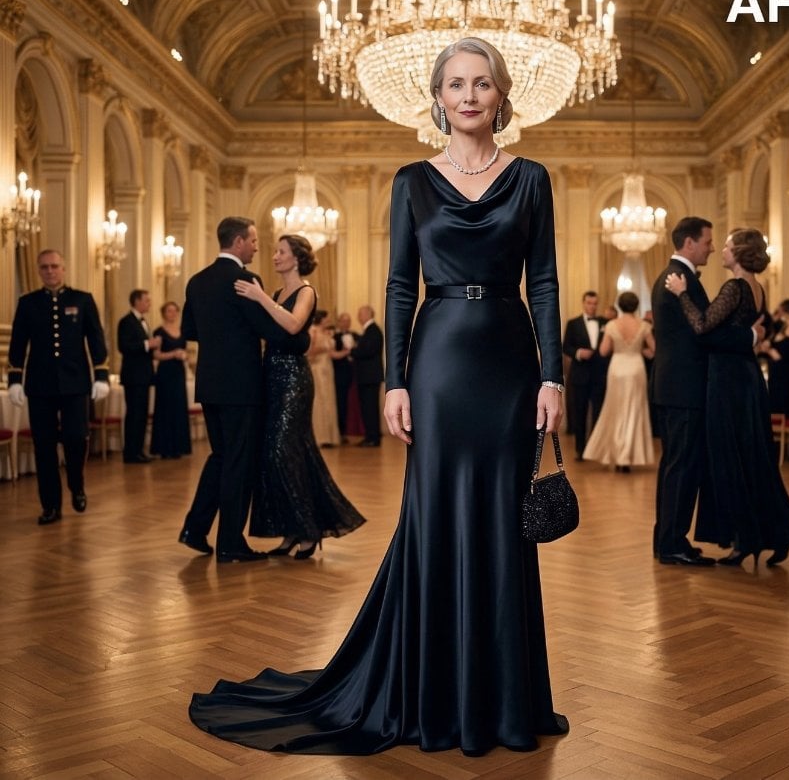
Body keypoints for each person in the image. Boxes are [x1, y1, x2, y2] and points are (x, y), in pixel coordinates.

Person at [189, 37, 568, 757]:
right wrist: (395, 379)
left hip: (511, 363)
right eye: (454, 83)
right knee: (436, 513)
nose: (467, 95)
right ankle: (430, 689)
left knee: (502, 517)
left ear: (501, 94)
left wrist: (552, 375)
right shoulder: (410, 181)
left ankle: (504, 695)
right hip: (439, 359)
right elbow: (399, 286)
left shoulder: (532, 179)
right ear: (436, 96)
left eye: (481, 83)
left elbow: (544, 280)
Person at [664, 228, 789, 568]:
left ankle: (745, 541)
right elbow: (758, 331)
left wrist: (682, 293)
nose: (721, 251)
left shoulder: (734, 287)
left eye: (727, 246)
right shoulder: (758, 288)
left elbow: (702, 327)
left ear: (740, 253)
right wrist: (750, 337)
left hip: (727, 384)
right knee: (755, 460)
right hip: (748, 381)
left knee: (729, 460)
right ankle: (773, 536)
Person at [179, 216, 309, 562]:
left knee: (220, 456)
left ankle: (194, 528)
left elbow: (189, 331)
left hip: (209, 384)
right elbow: (272, 330)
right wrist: (300, 335)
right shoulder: (244, 280)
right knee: (238, 462)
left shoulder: (196, 281)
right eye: (252, 241)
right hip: (242, 387)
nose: (256, 246)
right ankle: (230, 543)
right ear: (238, 242)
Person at [233, 235, 365, 559]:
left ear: (296, 259)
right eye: (276, 251)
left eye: (281, 252)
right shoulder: (278, 293)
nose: (275, 256)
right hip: (271, 376)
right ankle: (291, 529)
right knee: (280, 453)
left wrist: (260, 297)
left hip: (294, 378)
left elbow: (293, 325)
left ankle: (308, 530)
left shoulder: (306, 291)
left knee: (282, 449)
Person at [650, 218, 764, 567]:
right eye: (707, 242)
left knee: (676, 466)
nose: (713, 248)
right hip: (685, 389)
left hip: (676, 387)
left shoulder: (677, 278)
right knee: (682, 467)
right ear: (689, 243)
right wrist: (752, 337)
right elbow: (705, 333)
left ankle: (670, 540)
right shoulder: (678, 281)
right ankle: (672, 544)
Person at [7, 248, 110, 524]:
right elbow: (17, 344)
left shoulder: (82, 300)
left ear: (63, 269)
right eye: (44, 267)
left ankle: (76, 484)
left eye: (54, 266)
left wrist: (101, 374)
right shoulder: (27, 303)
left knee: (76, 438)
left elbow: (96, 339)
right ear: (39, 271)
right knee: (44, 446)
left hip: (75, 384)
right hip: (39, 386)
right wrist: (15, 379)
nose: (50, 271)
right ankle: (50, 505)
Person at [582, 291, 655, 471]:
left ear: (620, 306)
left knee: (615, 409)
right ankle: (628, 457)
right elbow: (654, 350)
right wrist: (639, 350)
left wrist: (619, 346)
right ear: (636, 306)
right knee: (634, 411)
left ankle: (617, 454)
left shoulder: (612, 324)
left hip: (617, 368)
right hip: (636, 368)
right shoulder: (644, 325)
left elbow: (604, 351)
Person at [562, 291, 606, 459]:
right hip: (580, 375)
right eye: (589, 303)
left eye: (595, 303)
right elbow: (566, 346)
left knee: (599, 413)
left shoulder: (605, 322)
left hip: (599, 376)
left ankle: (596, 449)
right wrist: (579, 353)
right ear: (583, 303)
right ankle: (580, 450)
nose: (592, 306)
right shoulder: (573, 324)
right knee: (579, 413)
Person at [117, 288, 157, 463]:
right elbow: (124, 346)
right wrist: (148, 344)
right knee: (134, 414)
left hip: (144, 376)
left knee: (141, 414)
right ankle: (131, 453)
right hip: (133, 376)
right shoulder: (126, 321)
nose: (149, 303)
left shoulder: (143, 321)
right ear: (137, 301)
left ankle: (139, 450)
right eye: (147, 300)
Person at [151, 300, 192, 459]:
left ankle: (179, 447)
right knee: (165, 408)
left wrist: (185, 355)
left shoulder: (183, 331)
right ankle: (165, 448)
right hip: (165, 373)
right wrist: (173, 354)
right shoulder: (159, 331)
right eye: (169, 311)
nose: (172, 314)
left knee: (179, 407)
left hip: (178, 372)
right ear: (163, 313)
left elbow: (185, 351)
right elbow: (155, 355)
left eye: (175, 311)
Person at [759, 299, 789, 418]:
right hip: (774, 372)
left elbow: (780, 356)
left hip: (785, 373)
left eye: (779, 311)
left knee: (785, 405)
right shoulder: (774, 328)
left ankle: (785, 432)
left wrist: (767, 349)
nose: (776, 314)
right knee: (774, 403)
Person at [352, 304, 385, 447]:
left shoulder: (373, 331)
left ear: (368, 314)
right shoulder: (369, 331)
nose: (358, 316)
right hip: (368, 377)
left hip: (370, 377)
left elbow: (368, 351)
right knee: (367, 408)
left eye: (360, 313)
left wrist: (353, 351)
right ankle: (370, 436)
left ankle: (373, 438)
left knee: (370, 408)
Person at [308, 312, 341, 448]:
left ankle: (329, 437)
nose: (328, 320)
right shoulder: (313, 330)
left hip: (328, 368)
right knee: (319, 402)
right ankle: (319, 437)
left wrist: (346, 351)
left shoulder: (327, 332)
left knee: (329, 401)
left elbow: (332, 354)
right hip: (317, 368)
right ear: (320, 319)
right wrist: (323, 347)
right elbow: (309, 352)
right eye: (326, 318)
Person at [331, 312, 356, 441]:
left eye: (348, 320)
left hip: (355, 375)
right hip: (339, 375)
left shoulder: (356, 336)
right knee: (340, 403)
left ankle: (347, 431)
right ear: (339, 322)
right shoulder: (334, 337)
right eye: (343, 320)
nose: (346, 323)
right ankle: (340, 433)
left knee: (348, 404)